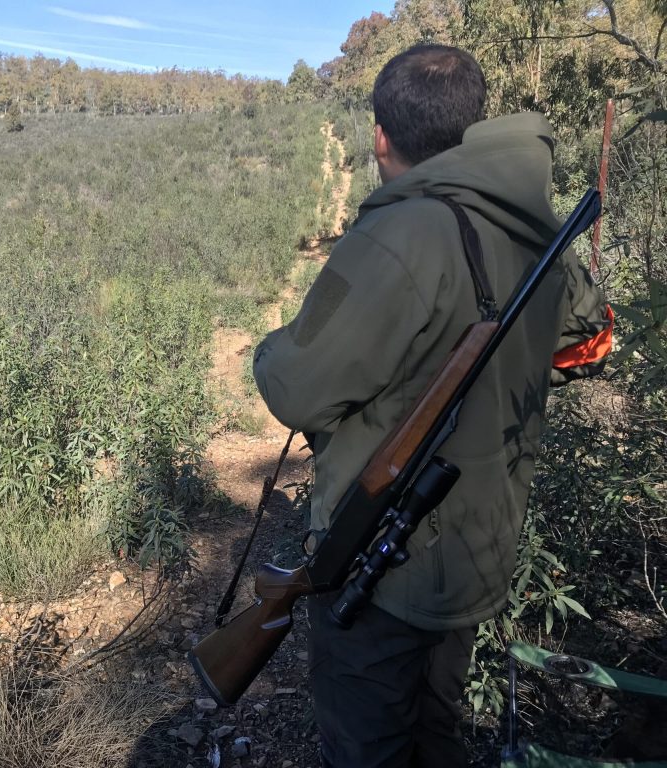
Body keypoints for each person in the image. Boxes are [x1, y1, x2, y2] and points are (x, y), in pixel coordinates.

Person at [252, 44, 613, 768]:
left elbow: (297, 391)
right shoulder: (531, 227)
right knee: (435, 730)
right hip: (476, 555)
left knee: (368, 745)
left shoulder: (400, 233)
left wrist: (269, 349)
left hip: (380, 569)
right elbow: (587, 335)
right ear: (467, 127)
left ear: (380, 135)